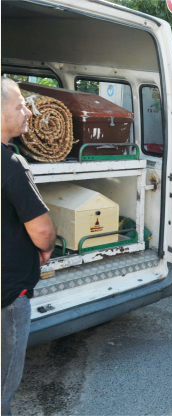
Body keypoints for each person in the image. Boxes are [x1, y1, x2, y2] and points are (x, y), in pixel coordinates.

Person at [1, 77, 57, 415]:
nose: (27, 111)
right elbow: (42, 232)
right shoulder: (10, 164)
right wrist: (47, 248)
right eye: (20, 104)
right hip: (8, 294)